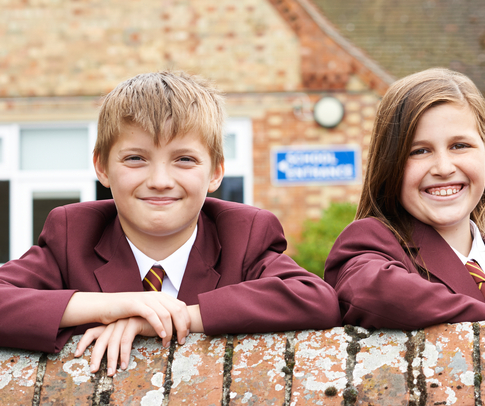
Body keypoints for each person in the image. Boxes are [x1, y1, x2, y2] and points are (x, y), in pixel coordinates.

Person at [0, 71, 339, 374]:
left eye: (184, 160)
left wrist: (178, 317)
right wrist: (118, 305)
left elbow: (315, 298)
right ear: (102, 167)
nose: (160, 180)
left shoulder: (244, 233)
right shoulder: (73, 233)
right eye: (135, 158)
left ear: (216, 172)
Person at [325, 68, 485, 329]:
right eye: (419, 151)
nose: (443, 168)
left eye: (459, 146)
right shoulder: (369, 246)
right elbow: (370, 291)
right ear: (390, 168)